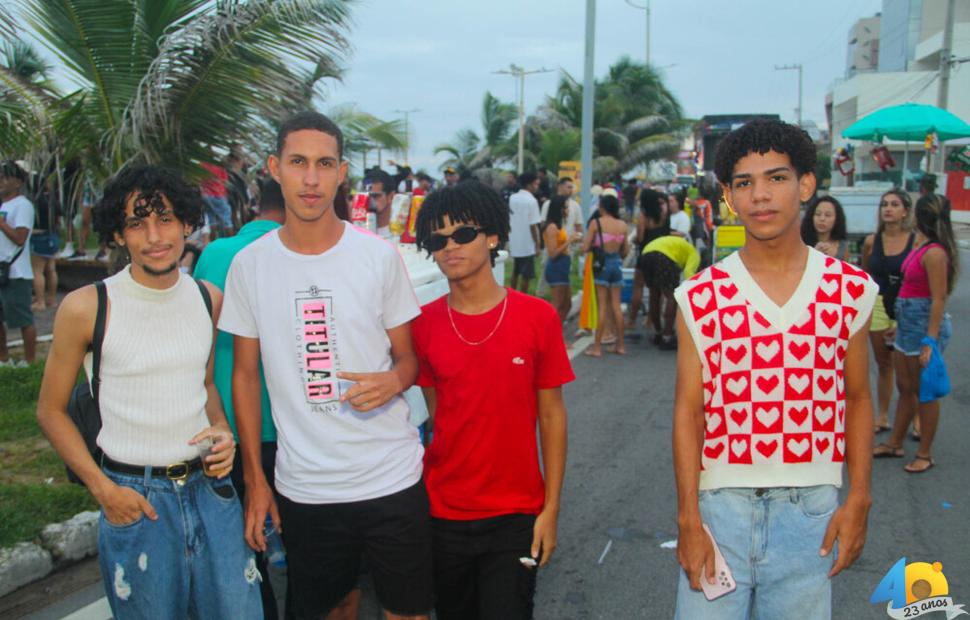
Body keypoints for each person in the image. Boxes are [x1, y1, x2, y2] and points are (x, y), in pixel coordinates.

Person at [219, 111, 433, 620]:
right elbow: (245, 376)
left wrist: (393, 381)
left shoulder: (377, 256)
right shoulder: (249, 265)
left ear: (342, 173)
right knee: (330, 609)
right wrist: (256, 481)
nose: (311, 179)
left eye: (324, 164)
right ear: (275, 167)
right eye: (298, 162)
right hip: (306, 489)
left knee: (407, 612)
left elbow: (409, 360)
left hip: (391, 478)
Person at [35, 165, 262, 619]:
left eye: (166, 219)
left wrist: (221, 431)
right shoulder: (87, 307)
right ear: (118, 234)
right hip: (134, 500)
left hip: (211, 492)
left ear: (187, 224)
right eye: (137, 223)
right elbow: (50, 411)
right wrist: (103, 489)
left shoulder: (207, 298)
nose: (155, 236)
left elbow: (201, 386)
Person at [673, 120, 877, 619]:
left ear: (806, 184)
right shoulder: (700, 296)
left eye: (777, 178)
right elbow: (689, 411)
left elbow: (856, 398)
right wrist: (688, 520)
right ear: (727, 196)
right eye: (744, 183)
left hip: (811, 515)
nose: (760, 196)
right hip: (719, 509)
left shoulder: (849, 289)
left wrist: (859, 500)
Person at [412, 181, 572, 620]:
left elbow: (553, 417)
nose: (450, 248)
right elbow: (440, 415)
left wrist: (551, 510)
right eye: (437, 240)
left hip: (516, 515)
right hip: (443, 514)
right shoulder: (423, 325)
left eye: (463, 234)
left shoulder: (537, 317)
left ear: (494, 237)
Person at [193, 179, 287, 618]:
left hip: (229, 424)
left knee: (246, 542)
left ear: (255, 206)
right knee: (304, 540)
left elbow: (198, 329)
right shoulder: (298, 253)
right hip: (292, 426)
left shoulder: (214, 254)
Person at [873, 194, 958, 473]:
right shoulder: (923, 245)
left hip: (923, 328)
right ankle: (895, 442)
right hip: (908, 325)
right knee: (906, 388)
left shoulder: (935, 253)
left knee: (925, 392)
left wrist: (930, 341)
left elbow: (938, 298)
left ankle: (925, 453)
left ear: (919, 216)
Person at [860, 190, 914, 434]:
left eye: (894, 204)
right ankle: (882, 415)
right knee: (884, 363)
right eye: (884, 204)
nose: (888, 209)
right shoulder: (872, 241)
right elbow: (864, 275)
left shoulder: (916, 241)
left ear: (905, 211)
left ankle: (917, 418)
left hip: (907, 305)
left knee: (910, 367)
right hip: (879, 304)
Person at [581, 194, 629, 357]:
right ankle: (621, 345)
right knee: (616, 305)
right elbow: (625, 250)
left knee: (602, 305)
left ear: (602, 207)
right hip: (617, 264)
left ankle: (596, 348)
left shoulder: (596, 223)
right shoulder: (623, 225)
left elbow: (586, 247)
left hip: (601, 265)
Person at [0, 160, 36, 366]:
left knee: (23, 318)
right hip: (2, 270)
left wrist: (2, 224)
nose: (1, 181)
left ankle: (29, 359)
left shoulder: (23, 205)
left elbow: (20, 237)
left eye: (6, 177)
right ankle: (3, 357)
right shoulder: (4, 204)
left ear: (18, 182)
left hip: (17, 272)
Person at [639, 235, 699, 351]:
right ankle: (667, 337)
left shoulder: (677, 245)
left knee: (654, 295)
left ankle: (657, 333)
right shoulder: (694, 253)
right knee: (672, 297)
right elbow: (689, 273)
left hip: (645, 254)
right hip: (664, 258)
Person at [626, 189, 670, 328]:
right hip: (662, 255)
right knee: (656, 290)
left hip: (646, 255)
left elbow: (640, 237)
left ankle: (632, 320)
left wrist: (636, 241)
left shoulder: (644, 217)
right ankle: (651, 320)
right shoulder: (664, 216)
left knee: (638, 287)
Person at [542, 196, 581, 324]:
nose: (567, 210)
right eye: (565, 207)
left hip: (563, 266)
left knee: (567, 304)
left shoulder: (559, 225)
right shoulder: (551, 227)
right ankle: (549, 338)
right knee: (557, 305)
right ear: (558, 209)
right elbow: (552, 253)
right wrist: (569, 241)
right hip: (556, 267)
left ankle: (557, 335)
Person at [30, 181, 61, 311]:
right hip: (53, 236)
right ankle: (52, 299)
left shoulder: (34, 201)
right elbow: (59, 219)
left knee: (37, 271)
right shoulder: (53, 200)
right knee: (51, 269)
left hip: (39, 235)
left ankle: (40, 301)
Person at [509, 172, 542, 294]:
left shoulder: (512, 198)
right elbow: (533, 225)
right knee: (526, 275)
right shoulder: (532, 201)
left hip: (515, 240)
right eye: (536, 184)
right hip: (527, 243)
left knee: (515, 272)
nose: (537, 186)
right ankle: (522, 297)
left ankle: (512, 295)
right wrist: (537, 244)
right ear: (529, 185)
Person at [801, 196, 848, 260]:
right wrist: (813, 254)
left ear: (837, 219)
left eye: (828, 215)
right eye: (818, 214)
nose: (822, 219)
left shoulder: (842, 247)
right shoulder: (800, 242)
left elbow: (847, 268)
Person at [201, 161, 234, 238]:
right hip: (218, 195)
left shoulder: (202, 164)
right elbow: (225, 181)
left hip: (206, 196)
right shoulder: (220, 167)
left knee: (211, 221)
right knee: (227, 221)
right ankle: (231, 241)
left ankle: (214, 242)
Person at [368, 169, 397, 239]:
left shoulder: (398, 231)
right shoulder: (357, 229)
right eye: (367, 196)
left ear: (391, 196)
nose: (370, 200)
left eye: (375, 196)